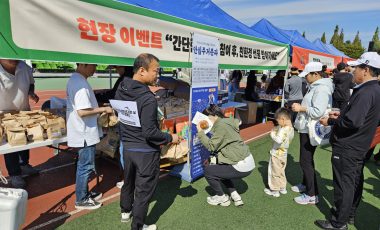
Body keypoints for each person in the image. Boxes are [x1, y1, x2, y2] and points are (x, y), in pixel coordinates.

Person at [316, 52, 380, 230]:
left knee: (344, 184)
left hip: (349, 146)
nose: (352, 70)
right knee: (353, 182)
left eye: (356, 67)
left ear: (366, 70)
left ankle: (338, 222)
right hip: (359, 146)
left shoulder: (366, 91)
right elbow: (359, 117)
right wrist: (342, 115)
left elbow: (353, 122)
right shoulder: (375, 89)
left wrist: (330, 121)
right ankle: (348, 215)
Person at [115, 53, 179, 230]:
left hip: (127, 147)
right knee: (143, 192)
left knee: (128, 182)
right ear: (142, 70)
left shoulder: (121, 88)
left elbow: (118, 113)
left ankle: (125, 211)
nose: (157, 75)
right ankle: (138, 226)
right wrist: (170, 137)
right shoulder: (148, 98)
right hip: (145, 152)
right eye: (155, 71)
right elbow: (150, 132)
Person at [66, 63, 113, 210]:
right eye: (93, 66)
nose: (95, 68)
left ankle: (84, 193)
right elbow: (82, 111)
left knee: (85, 165)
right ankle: (81, 199)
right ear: (84, 65)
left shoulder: (77, 80)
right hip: (84, 131)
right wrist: (104, 108)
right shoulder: (80, 83)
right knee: (85, 166)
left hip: (83, 130)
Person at [291, 62, 333, 205]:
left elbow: (317, 111)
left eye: (307, 75)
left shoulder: (321, 89)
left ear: (316, 74)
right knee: (307, 159)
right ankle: (306, 185)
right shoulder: (316, 86)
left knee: (305, 160)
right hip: (307, 128)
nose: (305, 78)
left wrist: (300, 108)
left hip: (310, 129)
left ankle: (312, 194)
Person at [196, 104, 255, 207]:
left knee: (208, 170)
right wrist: (212, 160)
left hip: (241, 165)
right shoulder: (227, 122)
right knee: (218, 168)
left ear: (213, 115)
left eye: (206, 118)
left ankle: (222, 198)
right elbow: (223, 147)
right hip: (247, 161)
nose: (206, 121)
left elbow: (211, 146)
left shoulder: (221, 126)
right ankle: (234, 194)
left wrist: (200, 133)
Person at [0, 59, 40, 188]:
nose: (14, 60)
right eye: (10, 58)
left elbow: (31, 83)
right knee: (11, 144)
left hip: (24, 111)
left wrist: (31, 92)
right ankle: (15, 174)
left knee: (26, 140)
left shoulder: (24, 67)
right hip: (4, 114)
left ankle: (24, 164)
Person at [264, 108, 294, 197]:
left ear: (283, 119)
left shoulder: (283, 130)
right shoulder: (290, 128)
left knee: (274, 172)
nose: (277, 123)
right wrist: (278, 128)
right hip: (284, 154)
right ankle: (282, 187)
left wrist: (272, 134)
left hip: (276, 154)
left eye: (278, 121)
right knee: (281, 171)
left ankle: (274, 190)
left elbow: (279, 140)